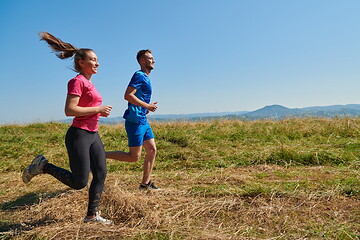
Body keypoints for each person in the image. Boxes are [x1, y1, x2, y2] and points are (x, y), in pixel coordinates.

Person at [22, 32, 113, 224]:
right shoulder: (77, 81)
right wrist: (98, 109)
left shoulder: (90, 83)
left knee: (101, 173)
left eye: (98, 60)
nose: (97, 63)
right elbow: (69, 110)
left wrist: (98, 112)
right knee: (79, 182)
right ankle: (42, 165)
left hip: (93, 134)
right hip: (79, 135)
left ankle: (91, 215)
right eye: (93, 59)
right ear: (81, 62)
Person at [106, 49, 160, 191]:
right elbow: (128, 95)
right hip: (135, 121)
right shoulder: (139, 75)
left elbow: (137, 99)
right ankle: (100, 154)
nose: (153, 61)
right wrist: (146, 105)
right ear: (142, 61)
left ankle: (145, 184)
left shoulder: (145, 78)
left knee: (152, 150)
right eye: (150, 58)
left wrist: (145, 108)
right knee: (133, 157)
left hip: (142, 119)